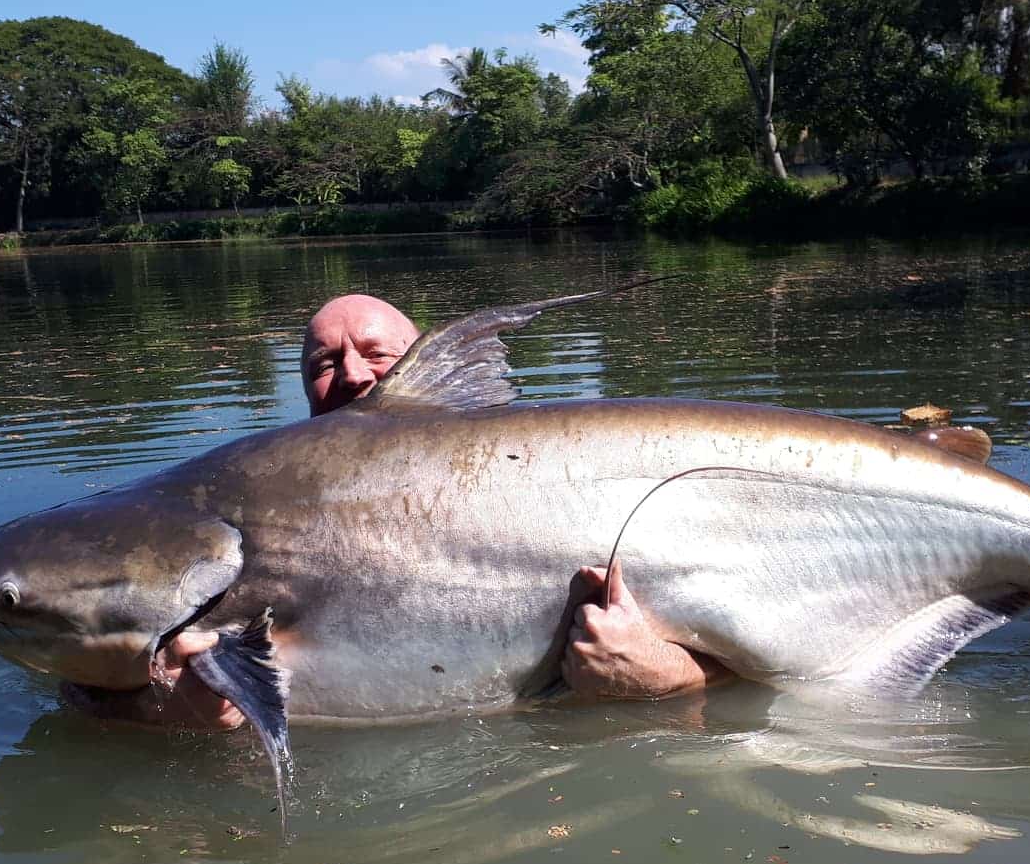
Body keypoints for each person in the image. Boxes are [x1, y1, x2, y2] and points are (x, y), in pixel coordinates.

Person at [140, 293, 720, 727]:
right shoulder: (241, 511)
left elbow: (792, 651)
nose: (351, 374)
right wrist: (165, 703)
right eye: (323, 363)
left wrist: (663, 676)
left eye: (378, 355)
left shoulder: (567, 490)